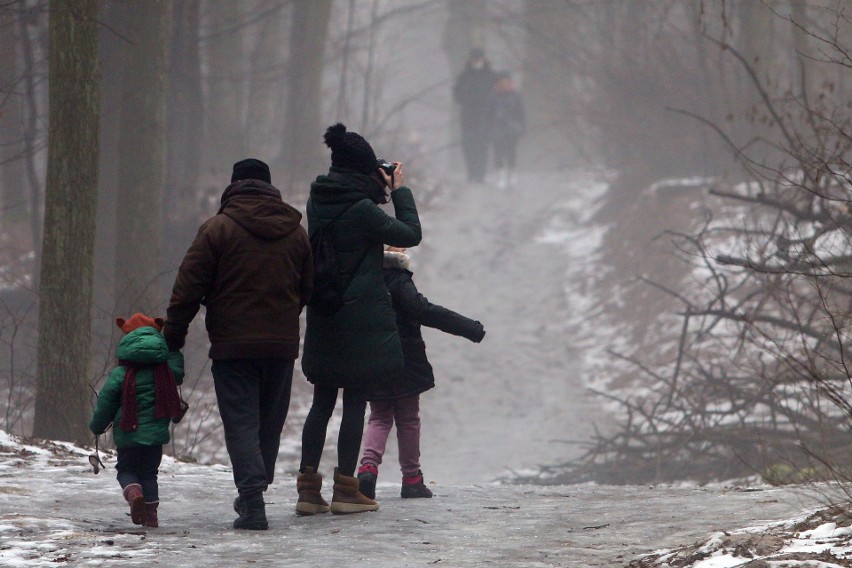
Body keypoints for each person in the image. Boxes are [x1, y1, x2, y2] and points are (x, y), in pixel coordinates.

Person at [163, 158, 313, 530]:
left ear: (234, 186)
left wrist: (173, 339)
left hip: (233, 345)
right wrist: (284, 317)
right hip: (280, 345)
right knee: (269, 422)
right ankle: (255, 491)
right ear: (269, 187)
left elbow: (187, 291)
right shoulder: (295, 233)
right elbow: (308, 288)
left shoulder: (217, 230)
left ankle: (252, 500)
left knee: (242, 422)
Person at [296, 123, 422, 516]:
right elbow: (410, 233)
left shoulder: (317, 201)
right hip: (359, 319)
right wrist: (398, 189)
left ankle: (307, 489)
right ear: (362, 169)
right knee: (353, 403)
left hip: (324, 313)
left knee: (321, 403)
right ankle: (347, 491)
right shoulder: (363, 210)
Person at [356, 247, 485, 499]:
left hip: (373, 358)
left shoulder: (364, 279)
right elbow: (423, 310)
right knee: (408, 419)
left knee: (379, 417)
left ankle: (367, 468)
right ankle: (412, 478)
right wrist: (469, 328)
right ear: (398, 254)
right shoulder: (399, 279)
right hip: (406, 359)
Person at [89, 313, 185, 528]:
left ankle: (134, 494)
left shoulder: (121, 373)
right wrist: (174, 349)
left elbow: (106, 402)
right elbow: (178, 369)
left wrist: (97, 426)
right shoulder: (166, 371)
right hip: (155, 436)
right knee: (150, 474)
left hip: (128, 433)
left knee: (126, 470)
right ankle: (150, 517)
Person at [453, 48, 498, 183]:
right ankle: (471, 172)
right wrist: (466, 100)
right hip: (468, 116)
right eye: (474, 58)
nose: (477, 61)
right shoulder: (464, 76)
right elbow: (457, 94)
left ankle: (480, 174)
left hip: (486, 116)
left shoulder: (491, 76)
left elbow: (497, 95)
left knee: (482, 145)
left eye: (479, 58)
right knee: (468, 146)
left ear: (484, 59)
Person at [487, 72, 525, 189]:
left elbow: (521, 113)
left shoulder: (516, 96)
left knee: (511, 152)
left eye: (506, 81)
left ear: (510, 82)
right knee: (498, 152)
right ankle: (500, 175)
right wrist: (488, 128)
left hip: (513, 128)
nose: (504, 84)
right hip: (497, 128)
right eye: (501, 81)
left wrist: (523, 128)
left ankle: (512, 174)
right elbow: (489, 114)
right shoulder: (493, 96)